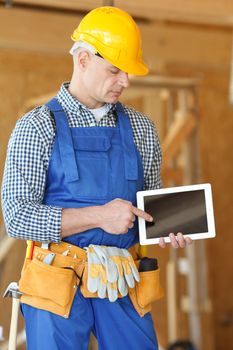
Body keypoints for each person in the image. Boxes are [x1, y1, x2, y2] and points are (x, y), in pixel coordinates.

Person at [1, 6, 192, 350]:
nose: (125, 81)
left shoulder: (141, 128)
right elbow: (17, 217)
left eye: (128, 72)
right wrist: (100, 216)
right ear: (84, 59)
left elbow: (151, 205)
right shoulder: (36, 127)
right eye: (115, 70)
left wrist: (166, 226)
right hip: (56, 280)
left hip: (121, 279)